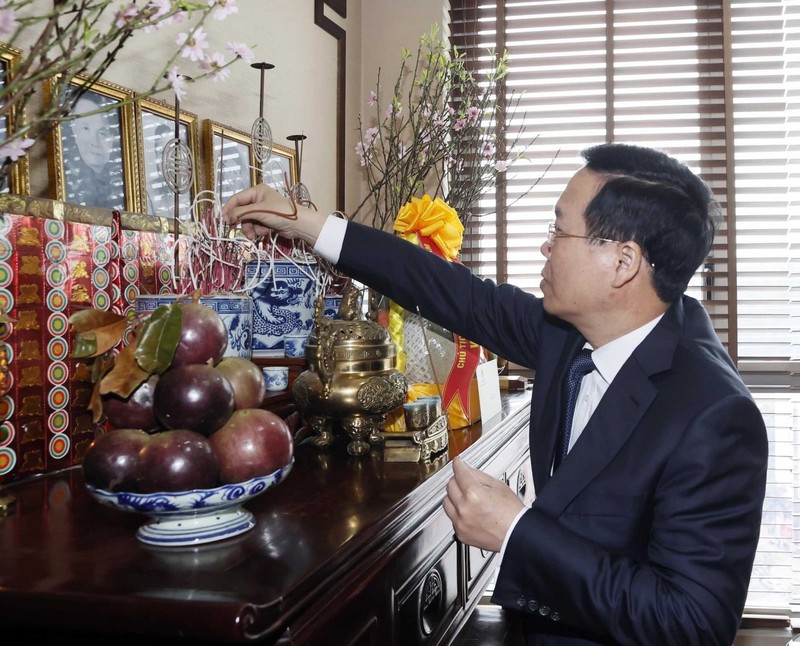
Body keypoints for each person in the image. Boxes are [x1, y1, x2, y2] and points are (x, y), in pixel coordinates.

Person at [222, 143, 768, 645]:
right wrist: (309, 224)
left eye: (560, 232)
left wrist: (515, 532)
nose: (544, 246)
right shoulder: (571, 332)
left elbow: (691, 623)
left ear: (622, 263)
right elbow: (449, 290)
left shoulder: (713, 416)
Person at [62, 90, 126, 210]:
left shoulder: (124, 187)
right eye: (86, 128)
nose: (95, 142)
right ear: (73, 131)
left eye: (103, 132)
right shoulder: (67, 185)